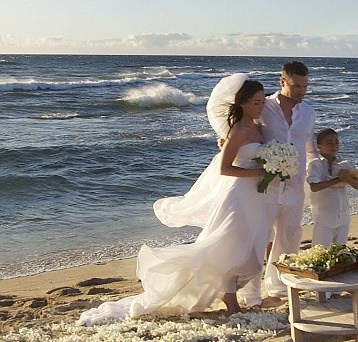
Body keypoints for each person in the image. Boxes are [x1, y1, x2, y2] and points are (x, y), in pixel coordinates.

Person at [78, 74, 268, 325]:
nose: (261, 106)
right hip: (236, 195)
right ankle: (231, 302)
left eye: (263, 101)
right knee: (225, 246)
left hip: (254, 196)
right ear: (242, 103)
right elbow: (225, 168)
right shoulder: (239, 131)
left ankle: (229, 296)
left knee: (245, 249)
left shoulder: (258, 127)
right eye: (256, 102)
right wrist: (260, 172)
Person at [237, 61, 318, 306]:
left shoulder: (309, 113)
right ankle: (251, 294)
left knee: (290, 235)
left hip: (295, 186)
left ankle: (279, 286)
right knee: (259, 237)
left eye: (305, 86)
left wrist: (317, 171)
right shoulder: (265, 107)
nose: (301, 91)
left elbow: (310, 148)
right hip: (266, 185)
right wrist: (226, 140)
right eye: (296, 86)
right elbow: (243, 126)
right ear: (282, 82)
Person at [307, 128, 358, 246]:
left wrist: (347, 178)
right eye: (329, 143)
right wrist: (337, 180)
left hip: (343, 215)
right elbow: (314, 187)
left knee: (340, 250)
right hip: (324, 217)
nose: (334, 146)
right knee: (321, 251)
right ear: (319, 146)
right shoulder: (315, 164)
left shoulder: (343, 163)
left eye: (336, 142)